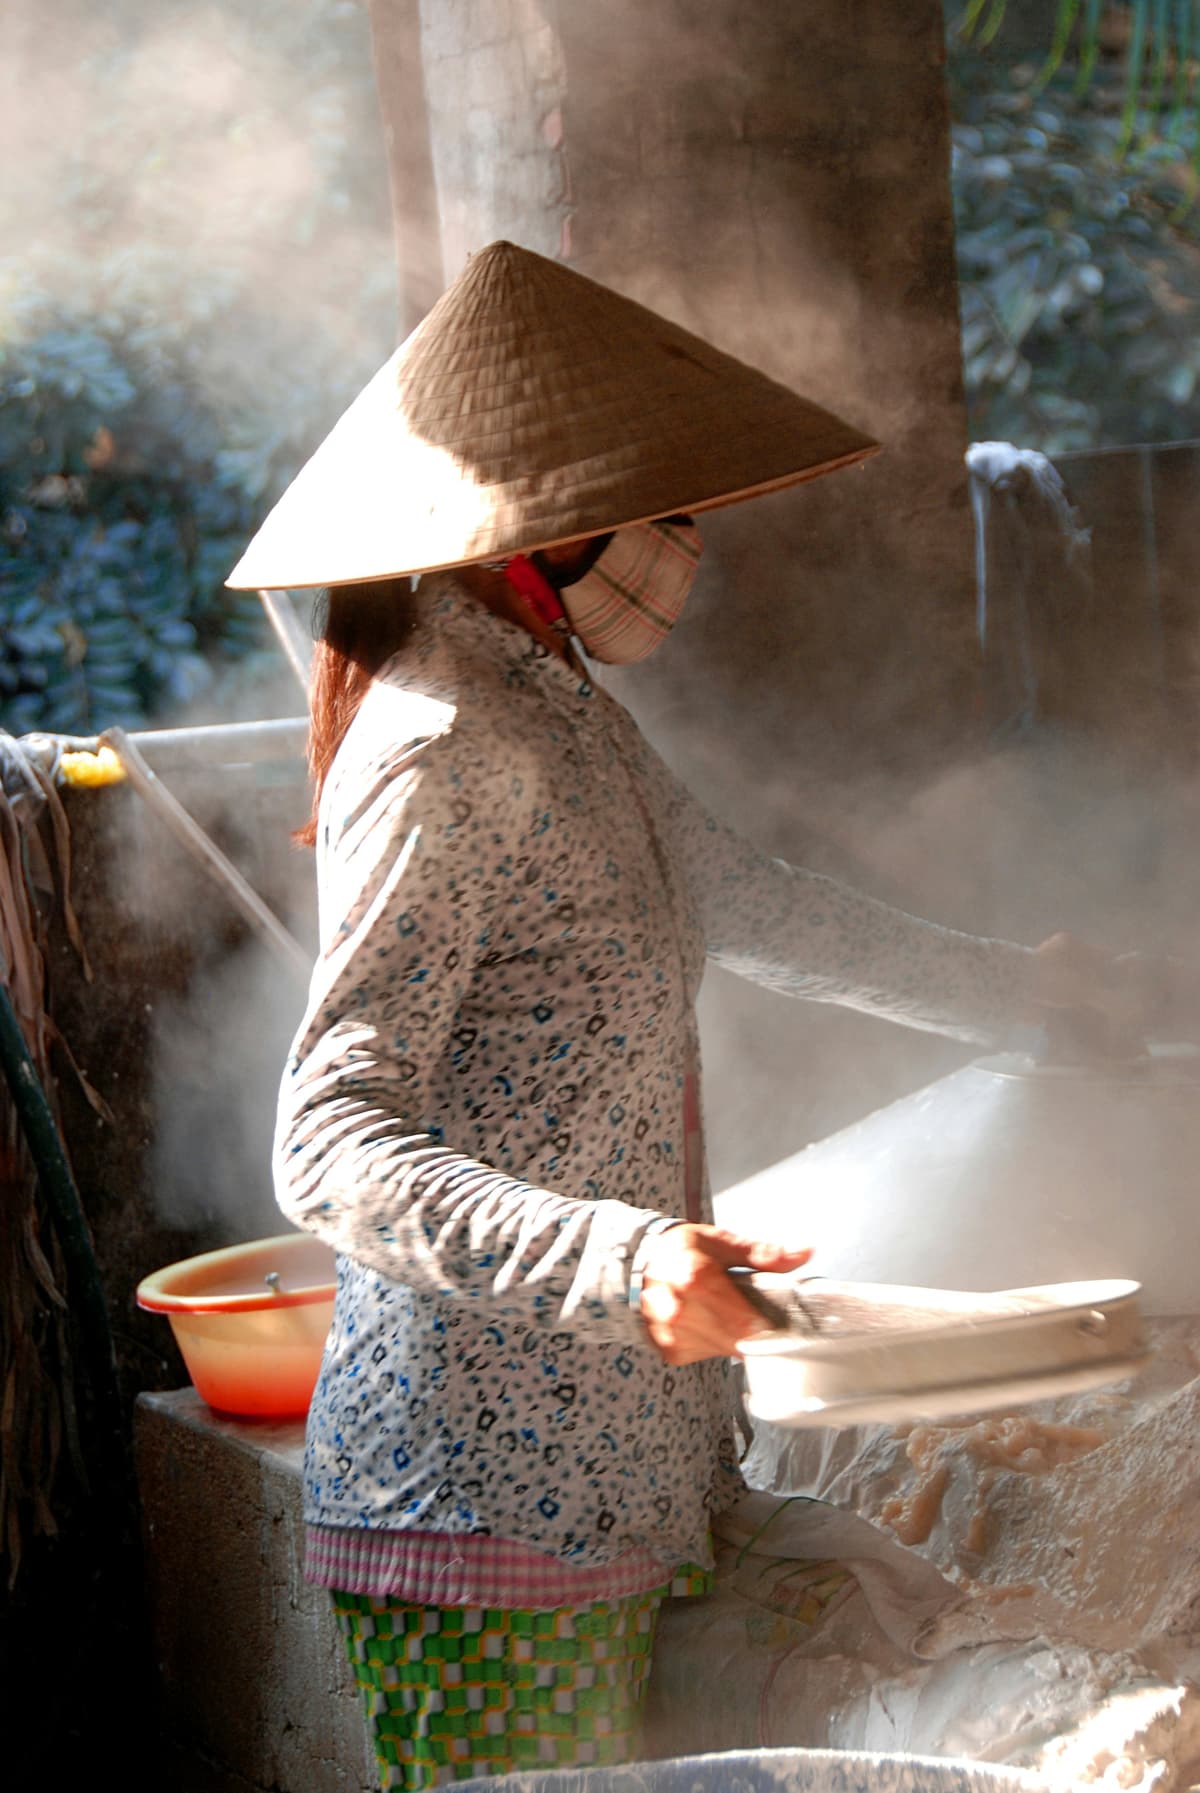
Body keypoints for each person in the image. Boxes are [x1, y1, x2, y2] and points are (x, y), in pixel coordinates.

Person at [226, 242, 1141, 1789]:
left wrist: (1026, 987)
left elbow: (759, 903)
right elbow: (327, 1139)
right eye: (658, 506)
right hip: (484, 1509)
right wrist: (624, 1256)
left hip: (625, 1482)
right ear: (544, 522)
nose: (685, 540)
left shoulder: (558, 705)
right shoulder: (444, 740)